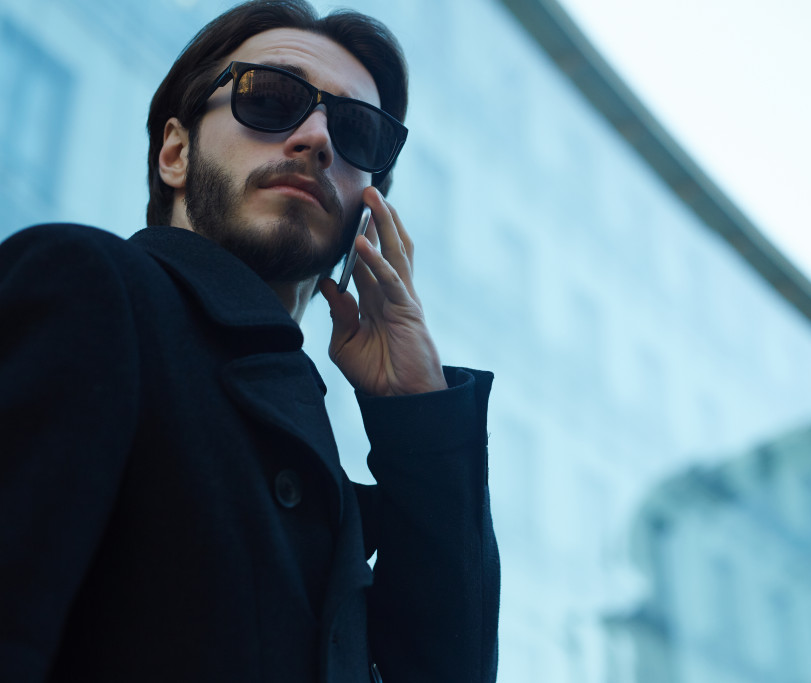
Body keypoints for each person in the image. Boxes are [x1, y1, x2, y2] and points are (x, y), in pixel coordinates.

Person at [0, 1, 499, 681]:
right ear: (176, 152)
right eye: (269, 98)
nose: (318, 137)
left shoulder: (319, 448)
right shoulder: (89, 288)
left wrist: (419, 417)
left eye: (357, 131)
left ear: (366, 210)